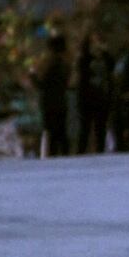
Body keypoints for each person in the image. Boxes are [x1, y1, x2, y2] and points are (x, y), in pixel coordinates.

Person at [36, 27, 74, 159]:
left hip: (51, 103)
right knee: (61, 134)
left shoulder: (53, 65)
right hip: (61, 102)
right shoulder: (66, 64)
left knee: (53, 135)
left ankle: (54, 158)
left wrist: (33, 78)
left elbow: (44, 84)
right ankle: (64, 156)